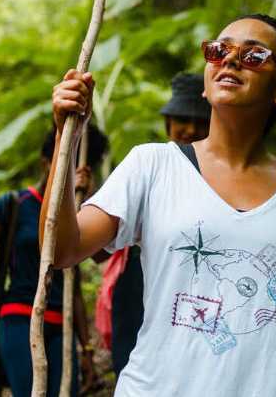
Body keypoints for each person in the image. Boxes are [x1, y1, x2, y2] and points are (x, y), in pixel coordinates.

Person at [46, 14, 276, 396]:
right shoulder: (152, 166)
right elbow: (62, 248)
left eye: (254, 56)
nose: (230, 60)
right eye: (220, 50)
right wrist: (66, 136)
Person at [0, 126, 107, 397]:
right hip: (19, 320)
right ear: (46, 164)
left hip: (60, 327)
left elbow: (81, 277)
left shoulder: (77, 213)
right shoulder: (14, 204)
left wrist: (86, 349)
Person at [97, 72, 211, 376]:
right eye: (182, 120)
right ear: (168, 124)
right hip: (138, 282)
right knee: (133, 361)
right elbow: (94, 249)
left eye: (201, 121)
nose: (190, 129)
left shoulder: (224, 183)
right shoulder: (146, 169)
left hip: (197, 290)